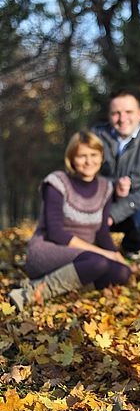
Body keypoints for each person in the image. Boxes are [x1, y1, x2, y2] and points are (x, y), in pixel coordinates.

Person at [9, 131, 131, 312]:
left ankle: (58, 288)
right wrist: (104, 254)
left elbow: (101, 233)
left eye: (93, 155)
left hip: (85, 258)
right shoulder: (57, 182)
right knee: (99, 262)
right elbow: (56, 232)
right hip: (48, 250)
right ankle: (30, 292)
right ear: (72, 158)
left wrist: (117, 256)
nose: (89, 162)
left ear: (101, 156)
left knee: (122, 272)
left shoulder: (106, 187)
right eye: (82, 156)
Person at [92, 89, 140, 260]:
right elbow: (80, 175)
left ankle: (131, 246)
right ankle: (88, 248)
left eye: (129, 112)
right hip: (100, 204)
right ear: (109, 115)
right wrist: (112, 185)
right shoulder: (95, 137)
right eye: (116, 113)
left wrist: (113, 214)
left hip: (139, 209)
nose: (122, 118)